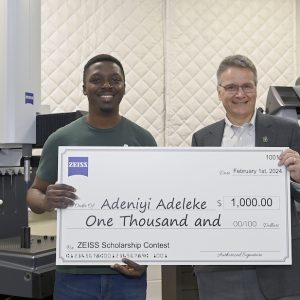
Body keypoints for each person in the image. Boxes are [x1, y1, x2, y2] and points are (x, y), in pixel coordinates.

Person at [26, 54, 157, 300]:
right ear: (84, 88)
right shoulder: (61, 139)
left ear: (124, 87)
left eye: (114, 80)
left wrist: (149, 258)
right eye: (96, 80)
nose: (106, 86)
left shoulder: (144, 140)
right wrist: (46, 201)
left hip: (128, 275)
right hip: (75, 276)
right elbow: (33, 193)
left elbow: (155, 207)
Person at [192, 54, 300, 300]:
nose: (240, 94)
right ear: (219, 92)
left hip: (278, 268)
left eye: (246, 86)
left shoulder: (289, 131)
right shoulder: (202, 139)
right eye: (231, 87)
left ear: (256, 89)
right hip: (220, 269)